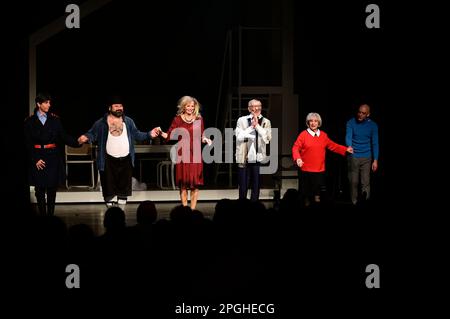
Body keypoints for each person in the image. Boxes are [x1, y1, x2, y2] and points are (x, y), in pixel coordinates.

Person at [78, 96, 160, 209]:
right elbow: (92, 133)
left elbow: (137, 134)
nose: (119, 108)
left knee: (123, 191)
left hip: (125, 160)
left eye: (121, 106)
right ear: (110, 108)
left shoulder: (129, 121)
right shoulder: (101, 123)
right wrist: (85, 137)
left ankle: (120, 215)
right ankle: (111, 215)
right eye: (116, 106)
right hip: (107, 160)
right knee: (109, 190)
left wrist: (149, 134)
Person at [24, 92, 81, 215]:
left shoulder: (55, 120)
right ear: (39, 104)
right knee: (39, 189)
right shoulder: (30, 121)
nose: (49, 105)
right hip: (38, 156)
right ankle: (43, 217)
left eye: (49, 102)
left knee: (51, 189)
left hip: (52, 157)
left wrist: (77, 142)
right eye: (46, 102)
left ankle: (50, 216)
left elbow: (63, 136)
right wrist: (35, 159)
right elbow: (27, 143)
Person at [159, 96, 211, 209]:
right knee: (183, 184)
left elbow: (202, 135)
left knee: (195, 184)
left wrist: (206, 139)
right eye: (188, 106)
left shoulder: (198, 119)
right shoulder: (177, 119)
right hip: (182, 154)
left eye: (192, 106)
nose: (191, 108)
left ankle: (192, 210)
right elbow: (169, 135)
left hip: (195, 154)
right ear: (183, 106)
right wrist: (161, 132)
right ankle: (184, 210)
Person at [292, 112, 353, 206]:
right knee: (306, 196)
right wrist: (298, 159)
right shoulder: (303, 135)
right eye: (311, 121)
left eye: (315, 121)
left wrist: (345, 149)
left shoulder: (323, 135)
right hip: (306, 169)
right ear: (308, 123)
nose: (313, 123)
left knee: (317, 196)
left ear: (319, 123)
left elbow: (333, 145)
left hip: (319, 169)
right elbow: (295, 148)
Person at [235, 99, 272, 201]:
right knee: (243, 184)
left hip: (257, 156)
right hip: (244, 156)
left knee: (256, 184)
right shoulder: (241, 120)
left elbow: (267, 138)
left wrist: (257, 126)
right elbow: (239, 136)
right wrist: (251, 127)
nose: (256, 108)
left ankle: (254, 206)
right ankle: (242, 204)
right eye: (253, 106)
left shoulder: (266, 121)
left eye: (258, 106)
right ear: (249, 108)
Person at [345, 103, 379, 205]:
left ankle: (366, 203)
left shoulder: (373, 125)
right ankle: (354, 203)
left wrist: (375, 160)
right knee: (353, 182)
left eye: (363, 113)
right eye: (359, 112)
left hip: (367, 157)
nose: (360, 115)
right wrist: (349, 146)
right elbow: (348, 136)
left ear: (368, 114)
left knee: (365, 183)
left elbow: (375, 143)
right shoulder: (351, 122)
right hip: (353, 156)